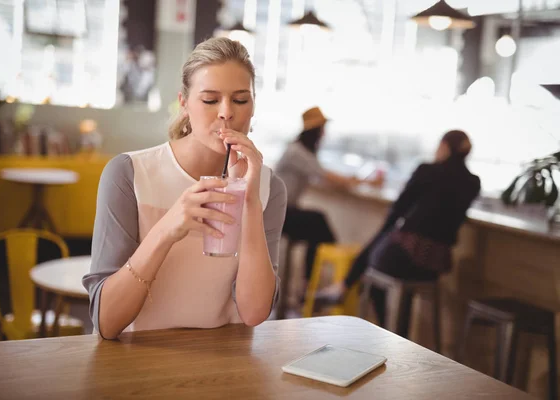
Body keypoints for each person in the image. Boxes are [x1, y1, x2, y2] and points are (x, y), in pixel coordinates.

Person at [82, 38, 287, 340]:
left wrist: (250, 201)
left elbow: (254, 313)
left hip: (226, 367)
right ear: (184, 104)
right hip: (135, 363)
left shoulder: (270, 188)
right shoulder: (129, 174)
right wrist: (167, 229)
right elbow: (107, 321)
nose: (226, 113)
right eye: (210, 100)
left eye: (241, 100)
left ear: (252, 107)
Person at [318, 130, 480, 337]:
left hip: (408, 256)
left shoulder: (427, 170)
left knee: (375, 263)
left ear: (444, 147)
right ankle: (345, 289)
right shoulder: (473, 182)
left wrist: (386, 231)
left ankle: (382, 328)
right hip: (435, 265)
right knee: (381, 249)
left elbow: (398, 209)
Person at [274, 106, 381, 288]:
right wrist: (364, 182)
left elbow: (324, 178)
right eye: (322, 130)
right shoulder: (297, 152)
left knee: (316, 228)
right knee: (318, 222)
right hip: (278, 213)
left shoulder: (300, 151)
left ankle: (311, 283)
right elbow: (326, 176)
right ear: (316, 131)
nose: (324, 134)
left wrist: (354, 181)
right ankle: (313, 284)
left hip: (284, 211)